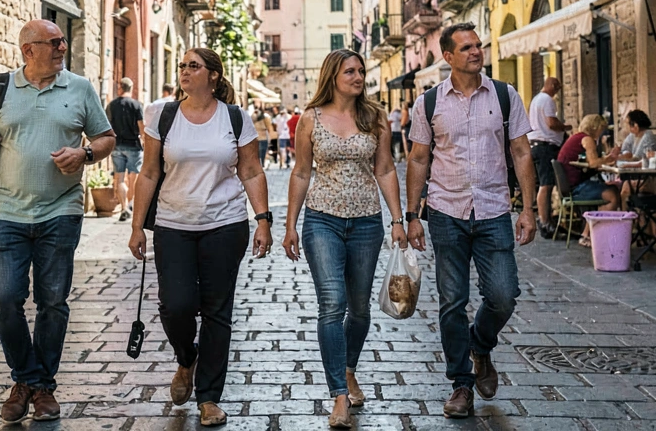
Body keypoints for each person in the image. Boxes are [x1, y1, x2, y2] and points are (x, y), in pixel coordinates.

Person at [0, 20, 116, 423]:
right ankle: (28, 377)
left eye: (64, 40)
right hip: (8, 212)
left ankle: (41, 387)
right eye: (54, 42)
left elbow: (106, 137)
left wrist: (86, 154)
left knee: (53, 301)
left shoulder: (79, 88)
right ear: (29, 50)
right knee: (5, 299)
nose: (63, 47)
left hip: (61, 210)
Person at [128, 48, 273, 427]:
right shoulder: (163, 115)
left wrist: (262, 220)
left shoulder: (236, 118)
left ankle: (209, 397)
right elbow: (148, 172)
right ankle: (186, 358)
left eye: (194, 66)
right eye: (182, 65)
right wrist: (136, 226)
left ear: (213, 75)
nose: (185, 71)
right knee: (175, 305)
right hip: (173, 224)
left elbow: (252, 171)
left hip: (225, 224)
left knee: (217, 312)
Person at [405, 23, 538, 419]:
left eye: (478, 45)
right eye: (466, 47)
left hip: (495, 210)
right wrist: (412, 215)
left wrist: (528, 209)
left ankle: (481, 344)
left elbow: (521, 151)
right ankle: (461, 383)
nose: (476, 52)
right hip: (446, 212)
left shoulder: (504, 95)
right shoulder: (429, 103)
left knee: (503, 294)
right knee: (452, 302)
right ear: (448, 56)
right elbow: (418, 159)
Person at [282, 50, 406, 428]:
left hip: (367, 222)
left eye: (360, 71)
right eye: (349, 71)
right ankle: (338, 393)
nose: (357, 76)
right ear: (332, 75)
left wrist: (398, 219)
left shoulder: (375, 116)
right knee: (332, 305)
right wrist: (290, 224)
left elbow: (384, 168)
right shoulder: (311, 118)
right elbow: (301, 172)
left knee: (361, 310)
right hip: (322, 221)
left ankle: (349, 367)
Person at [556, 114, 623, 247]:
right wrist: (609, 158)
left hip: (569, 186)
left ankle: (588, 233)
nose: (601, 133)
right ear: (595, 127)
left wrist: (607, 159)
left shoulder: (576, 137)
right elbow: (593, 163)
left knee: (610, 189)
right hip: (576, 187)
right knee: (613, 196)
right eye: (601, 129)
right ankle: (593, 235)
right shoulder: (587, 139)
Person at [528, 77, 570, 239]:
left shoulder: (536, 99)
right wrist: (565, 127)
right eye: (557, 88)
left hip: (536, 145)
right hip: (545, 146)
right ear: (552, 85)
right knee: (546, 185)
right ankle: (545, 222)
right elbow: (551, 123)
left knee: (545, 184)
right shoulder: (547, 100)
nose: (558, 92)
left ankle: (547, 220)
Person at [108, 78, 145, 222]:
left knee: (120, 178)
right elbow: (141, 126)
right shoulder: (136, 105)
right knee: (133, 178)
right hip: (134, 146)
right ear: (131, 88)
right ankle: (131, 205)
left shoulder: (112, 105)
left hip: (117, 145)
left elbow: (107, 126)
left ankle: (124, 208)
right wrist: (144, 141)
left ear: (120, 88)